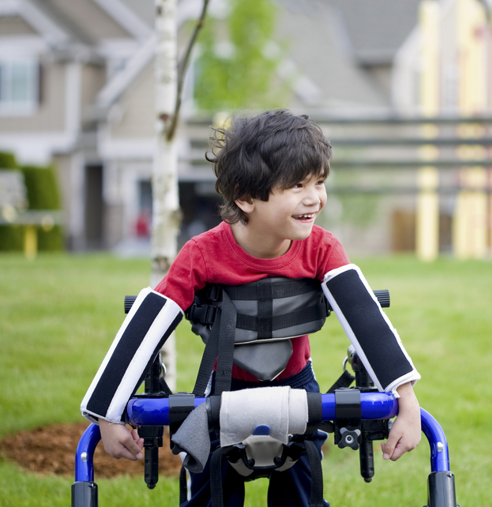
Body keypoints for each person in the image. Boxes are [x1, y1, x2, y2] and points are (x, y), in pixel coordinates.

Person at [80, 110, 421, 506]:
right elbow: (149, 322)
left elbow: (367, 322)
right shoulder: (201, 254)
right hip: (223, 394)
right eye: (297, 185)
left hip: (297, 390)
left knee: (303, 499)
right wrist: (107, 412)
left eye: (320, 182)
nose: (314, 197)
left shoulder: (322, 248)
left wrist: (406, 400)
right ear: (245, 197)